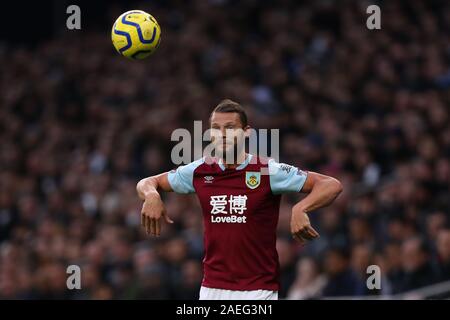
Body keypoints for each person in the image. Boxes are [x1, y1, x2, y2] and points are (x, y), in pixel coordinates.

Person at [136, 99, 342, 300]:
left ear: (246, 132)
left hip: (257, 290)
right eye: (216, 128)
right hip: (211, 288)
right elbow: (148, 182)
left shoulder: (267, 170)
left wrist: (301, 207)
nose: (223, 134)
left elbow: (331, 184)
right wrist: (152, 194)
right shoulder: (200, 170)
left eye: (230, 127)